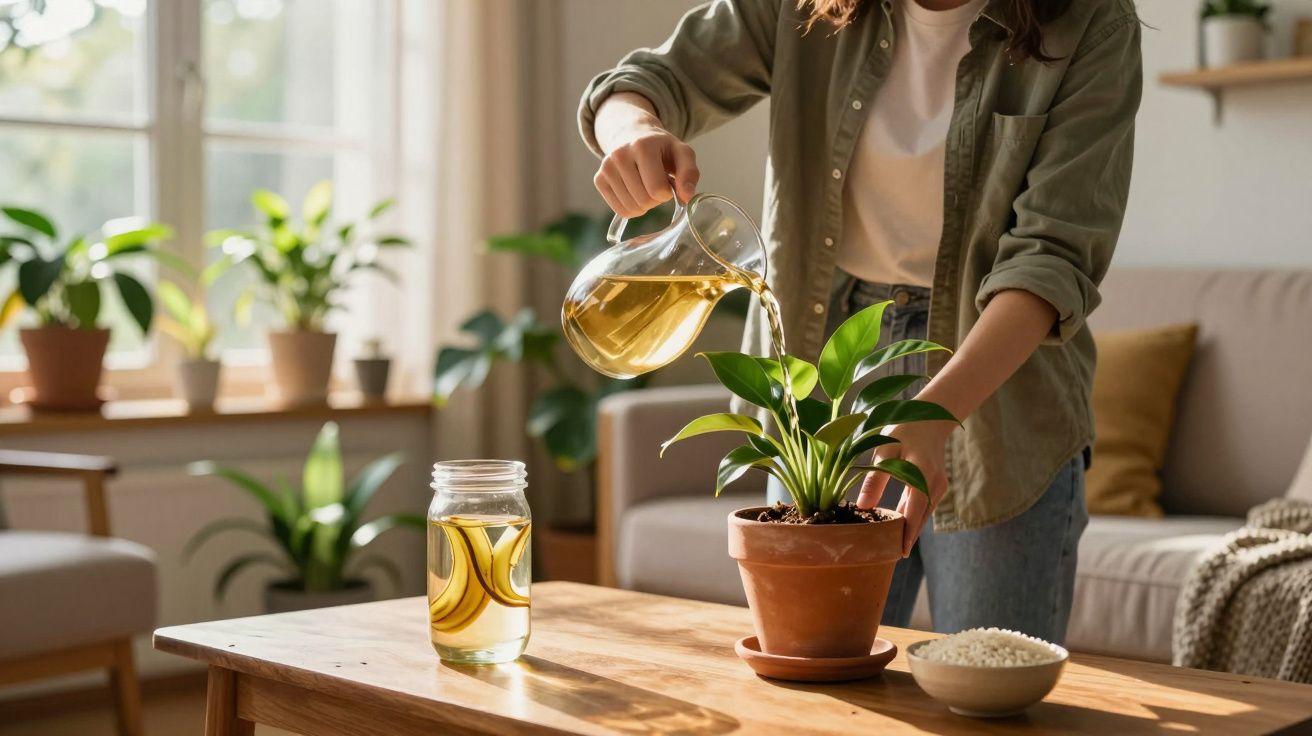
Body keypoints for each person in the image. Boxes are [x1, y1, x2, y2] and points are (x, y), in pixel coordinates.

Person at [578, 0, 1140, 644]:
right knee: (817, 673)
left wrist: (936, 412)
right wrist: (634, 132)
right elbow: (641, 84)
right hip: (824, 367)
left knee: (989, 678)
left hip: (996, 382)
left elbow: (1050, 260)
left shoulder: (1091, 20)